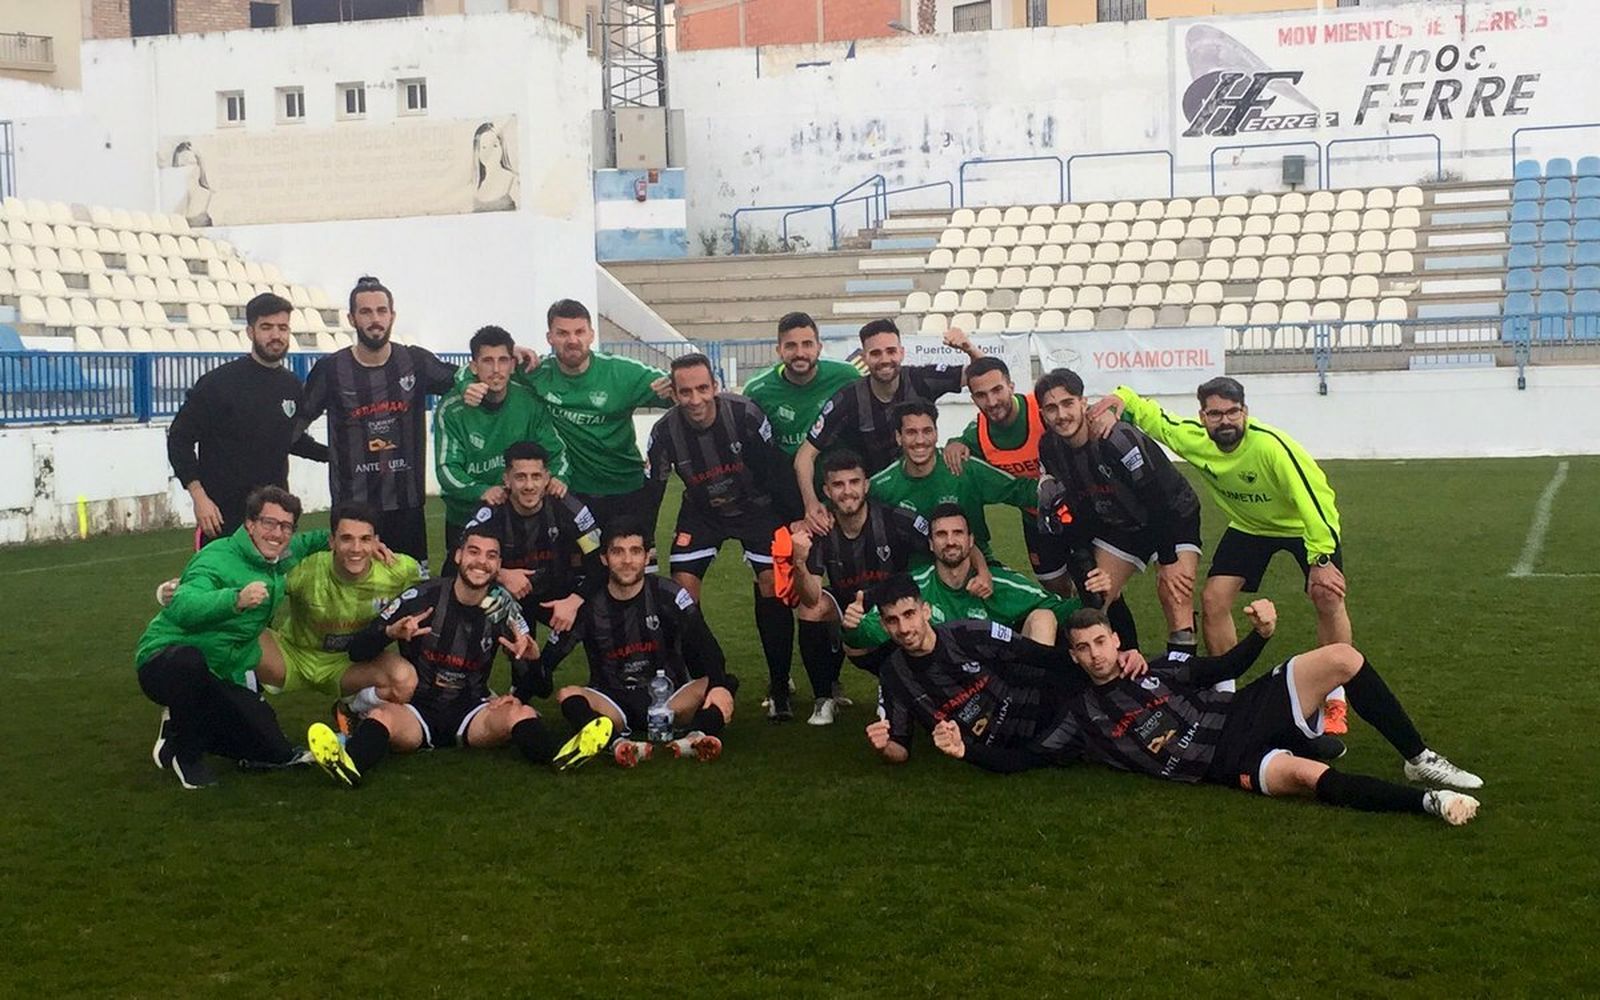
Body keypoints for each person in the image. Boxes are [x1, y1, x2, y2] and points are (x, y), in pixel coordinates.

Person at [934, 603, 1484, 827]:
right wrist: (968, 751)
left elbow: (1222, 665)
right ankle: (1428, 803)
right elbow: (1026, 758)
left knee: (1343, 657)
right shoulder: (1081, 717)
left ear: (1114, 640)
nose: (1095, 655)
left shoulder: (1149, 667)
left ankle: (1418, 757)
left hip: (1241, 709)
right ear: (1073, 655)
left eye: (1100, 642)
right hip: (1225, 760)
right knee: (1307, 779)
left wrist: (1261, 635)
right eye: (1082, 648)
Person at [1091, 376, 1353, 732]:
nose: (1225, 421)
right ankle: (1225, 693)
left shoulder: (1271, 447)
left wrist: (1321, 559)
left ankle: (1335, 694)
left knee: (1326, 595)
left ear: (1245, 412)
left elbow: (1316, 500)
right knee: (1213, 599)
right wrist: (1120, 398)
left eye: (1232, 412)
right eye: (1215, 414)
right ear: (1202, 416)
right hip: (1250, 527)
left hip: (1302, 526)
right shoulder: (1197, 440)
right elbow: (1156, 419)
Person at [305, 524, 592, 787]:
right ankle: (349, 765)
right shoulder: (421, 597)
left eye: (491, 556)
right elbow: (357, 651)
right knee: (382, 715)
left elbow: (540, 688)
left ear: (498, 565)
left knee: (520, 712)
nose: (481, 561)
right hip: (417, 712)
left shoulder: (502, 608)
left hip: (472, 712)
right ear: (458, 556)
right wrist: (389, 633)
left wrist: (529, 660)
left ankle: (561, 756)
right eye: (474, 552)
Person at [135, 487, 327, 789]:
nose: (277, 533)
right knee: (189, 661)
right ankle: (186, 757)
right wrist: (234, 600)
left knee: (274, 751)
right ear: (249, 524)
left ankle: (181, 725)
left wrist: (348, 541)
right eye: (268, 523)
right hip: (164, 661)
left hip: (218, 675)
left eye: (286, 526)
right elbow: (183, 606)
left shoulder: (280, 554)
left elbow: (310, 542)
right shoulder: (217, 556)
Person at [643, 353, 800, 720]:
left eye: (702, 389)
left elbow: (775, 471)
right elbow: (653, 489)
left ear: (715, 386)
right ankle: (710, 677)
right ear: (675, 394)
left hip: (756, 507)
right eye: (685, 392)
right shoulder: (664, 432)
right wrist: (646, 539)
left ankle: (779, 686)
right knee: (681, 592)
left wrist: (794, 520)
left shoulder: (744, 415)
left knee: (772, 585)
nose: (695, 399)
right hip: (702, 512)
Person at [859, 573, 1144, 767]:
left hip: (1046, 712)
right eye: (893, 621)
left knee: (1131, 732)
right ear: (884, 626)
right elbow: (900, 747)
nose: (904, 628)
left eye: (909, 615)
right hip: (999, 751)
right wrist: (884, 747)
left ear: (926, 611)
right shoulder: (893, 674)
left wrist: (1114, 660)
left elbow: (1040, 656)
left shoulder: (970, 633)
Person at [521, 522, 736, 769]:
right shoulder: (586, 606)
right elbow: (547, 669)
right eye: (618, 551)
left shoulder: (668, 593)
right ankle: (618, 745)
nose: (627, 560)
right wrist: (527, 675)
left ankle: (697, 737)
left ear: (647, 557)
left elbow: (706, 644)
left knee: (723, 683)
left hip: (669, 701)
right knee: (568, 695)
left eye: (635, 551)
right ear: (604, 558)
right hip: (613, 704)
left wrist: (718, 686)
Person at [301, 276, 466, 575]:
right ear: (352, 318)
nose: (375, 319)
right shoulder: (331, 370)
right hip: (353, 514)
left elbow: (468, 379)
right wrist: (329, 455)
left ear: (392, 315)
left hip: (407, 509)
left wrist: (513, 356)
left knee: (412, 594)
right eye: (365, 312)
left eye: (381, 311)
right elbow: (294, 427)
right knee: (355, 599)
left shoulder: (415, 362)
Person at [1035, 368, 1204, 658]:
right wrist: (1090, 565)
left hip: (1173, 517)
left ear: (1083, 402)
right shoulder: (1050, 448)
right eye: (1051, 408)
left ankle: (1184, 680)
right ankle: (1126, 669)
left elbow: (1156, 499)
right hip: (1122, 525)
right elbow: (1074, 508)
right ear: (1042, 413)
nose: (1061, 415)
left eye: (1068, 403)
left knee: (1175, 593)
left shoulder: (1114, 436)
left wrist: (1168, 559)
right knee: (1095, 598)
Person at [166, 292, 328, 545]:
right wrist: (199, 498)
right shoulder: (218, 384)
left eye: (282, 328)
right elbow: (179, 439)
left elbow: (290, 439)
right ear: (251, 332)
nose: (276, 335)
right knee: (223, 585)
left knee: (273, 585)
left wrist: (336, 454)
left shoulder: (292, 386)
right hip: (223, 517)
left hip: (273, 519)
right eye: (267, 327)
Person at [782, 449, 929, 724]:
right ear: (826, 489)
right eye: (838, 484)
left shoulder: (894, 519)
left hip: (891, 609)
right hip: (849, 610)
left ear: (867, 485)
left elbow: (940, 548)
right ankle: (824, 697)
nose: (847, 492)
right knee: (812, 609)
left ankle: (893, 683)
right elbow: (811, 595)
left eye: (854, 482)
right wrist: (799, 562)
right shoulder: (820, 529)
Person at [794, 319, 980, 534]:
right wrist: (811, 504)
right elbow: (804, 456)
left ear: (901, 353)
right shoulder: (848, 399)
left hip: (926, 487)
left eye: (891, 351)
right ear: (864, 358)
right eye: (875, 353)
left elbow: (987, 376)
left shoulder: (922, 379)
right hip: (878, 501)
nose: (884, 360)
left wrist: (969, 348)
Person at [251, 502, 420, 730]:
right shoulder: (306, 570)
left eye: (365, 539)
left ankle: (351, 709)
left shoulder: (398, 570)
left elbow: (432, 596)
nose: (356, 548)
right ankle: (250, 721)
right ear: (332, 541)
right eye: (347, 538)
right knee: (233, 633)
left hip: (349, 664)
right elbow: (257, 573)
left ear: (376, 542)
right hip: (293, 656)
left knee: (404, 680)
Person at [507, 299, 670, 531]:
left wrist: (674, 386)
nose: (572, 340)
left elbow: (684, 384)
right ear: (549, 338)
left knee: (629, 565)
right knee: (583, 564)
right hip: (572, 492)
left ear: (591, 334)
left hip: (627, 488)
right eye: (562, 333)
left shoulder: (621, 372)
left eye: (579, 332)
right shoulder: (536, 373)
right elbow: (483, 369)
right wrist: (507, 350)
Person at [840, 504, 1083, 653]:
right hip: (943, 683)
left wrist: (1091, 590)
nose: (950, 541)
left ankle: (1035, 705)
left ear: (970, 540)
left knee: (1043, 617)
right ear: (931, 544)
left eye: (957, 533)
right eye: (941, 534)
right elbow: (872, 631)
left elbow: (1059, 610)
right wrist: (853, 628)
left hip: (996, 678)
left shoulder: (999, 584)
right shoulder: (914, 586)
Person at [433, 325, 569, 570]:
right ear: (473, 366)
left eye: (503, 360)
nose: (496, 370)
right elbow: (446, 469)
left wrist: (558, 477)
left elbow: (556, 451)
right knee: (463, 590)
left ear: (512, 364)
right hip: (465, 516)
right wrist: (481, 491)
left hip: (516, 516)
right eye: (487, 361)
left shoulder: (528, 402)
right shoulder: (452, 408)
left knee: (521, 582)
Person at [940, 356, 1074, 597]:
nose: (991, 401)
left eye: (997, 390)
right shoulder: (978, 433)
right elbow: (960, 445)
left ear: (1011, 387)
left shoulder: (1042, 409)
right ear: (973, 399)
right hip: (1036, 522)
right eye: (981, 395)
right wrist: (954, 443)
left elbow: (1084, 418)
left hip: (1078, 512)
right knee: (1056, 588)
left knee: (1098, 587)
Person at [868, 400, 1037, 570]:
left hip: (976, 565)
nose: (920, 440)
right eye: (911, 432)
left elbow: (1018, 489)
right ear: (899, 437)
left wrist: (1056, 492)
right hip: (919, 572)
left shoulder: (962, 467)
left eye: (927, 431)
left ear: (936, 433)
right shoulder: (882, 486)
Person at [462, 441, 600, 637]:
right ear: (507, 480)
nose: (529, 486)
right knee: (483, 603)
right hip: (507, 596)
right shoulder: (491, 513)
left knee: (596, 612)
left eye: (536, 477)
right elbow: (458, 562)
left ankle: (546, 665)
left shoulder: (568, 508)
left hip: (559, 592)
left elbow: (599, 559)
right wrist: (501, 574)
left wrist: (574, 600)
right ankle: (508, 656)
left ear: (547, 478)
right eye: (520, 477)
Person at [742, 311, 861, 458]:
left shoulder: (846, 375)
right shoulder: (757, 390)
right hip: (786, 477)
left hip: (836, 477)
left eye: (807, 344)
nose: (800, 353)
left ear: (819, 347)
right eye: (791, 346)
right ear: (779, 350)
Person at [471, 121, 519, 212]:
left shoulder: (513, 180)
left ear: (502, 147)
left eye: (495, 145)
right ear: (478, 152)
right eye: (484, 147)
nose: (489, 152)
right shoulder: (476, 185)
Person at [171, 141, 212, 227]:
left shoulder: (204, 194)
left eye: (191, 165)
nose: (188, 170)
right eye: (182, 166)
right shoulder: (175, 199)